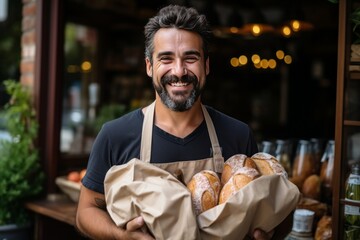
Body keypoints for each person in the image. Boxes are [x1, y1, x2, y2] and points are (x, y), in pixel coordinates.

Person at [76, 5, 290, 240]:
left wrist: (267, 230)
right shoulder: (115, 135)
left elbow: (267, 210)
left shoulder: (238, 135)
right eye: (166, 58)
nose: (179, 71)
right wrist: (121, 236)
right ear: (149, 66)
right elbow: (86, 212)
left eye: (190, 58)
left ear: (206, 66)